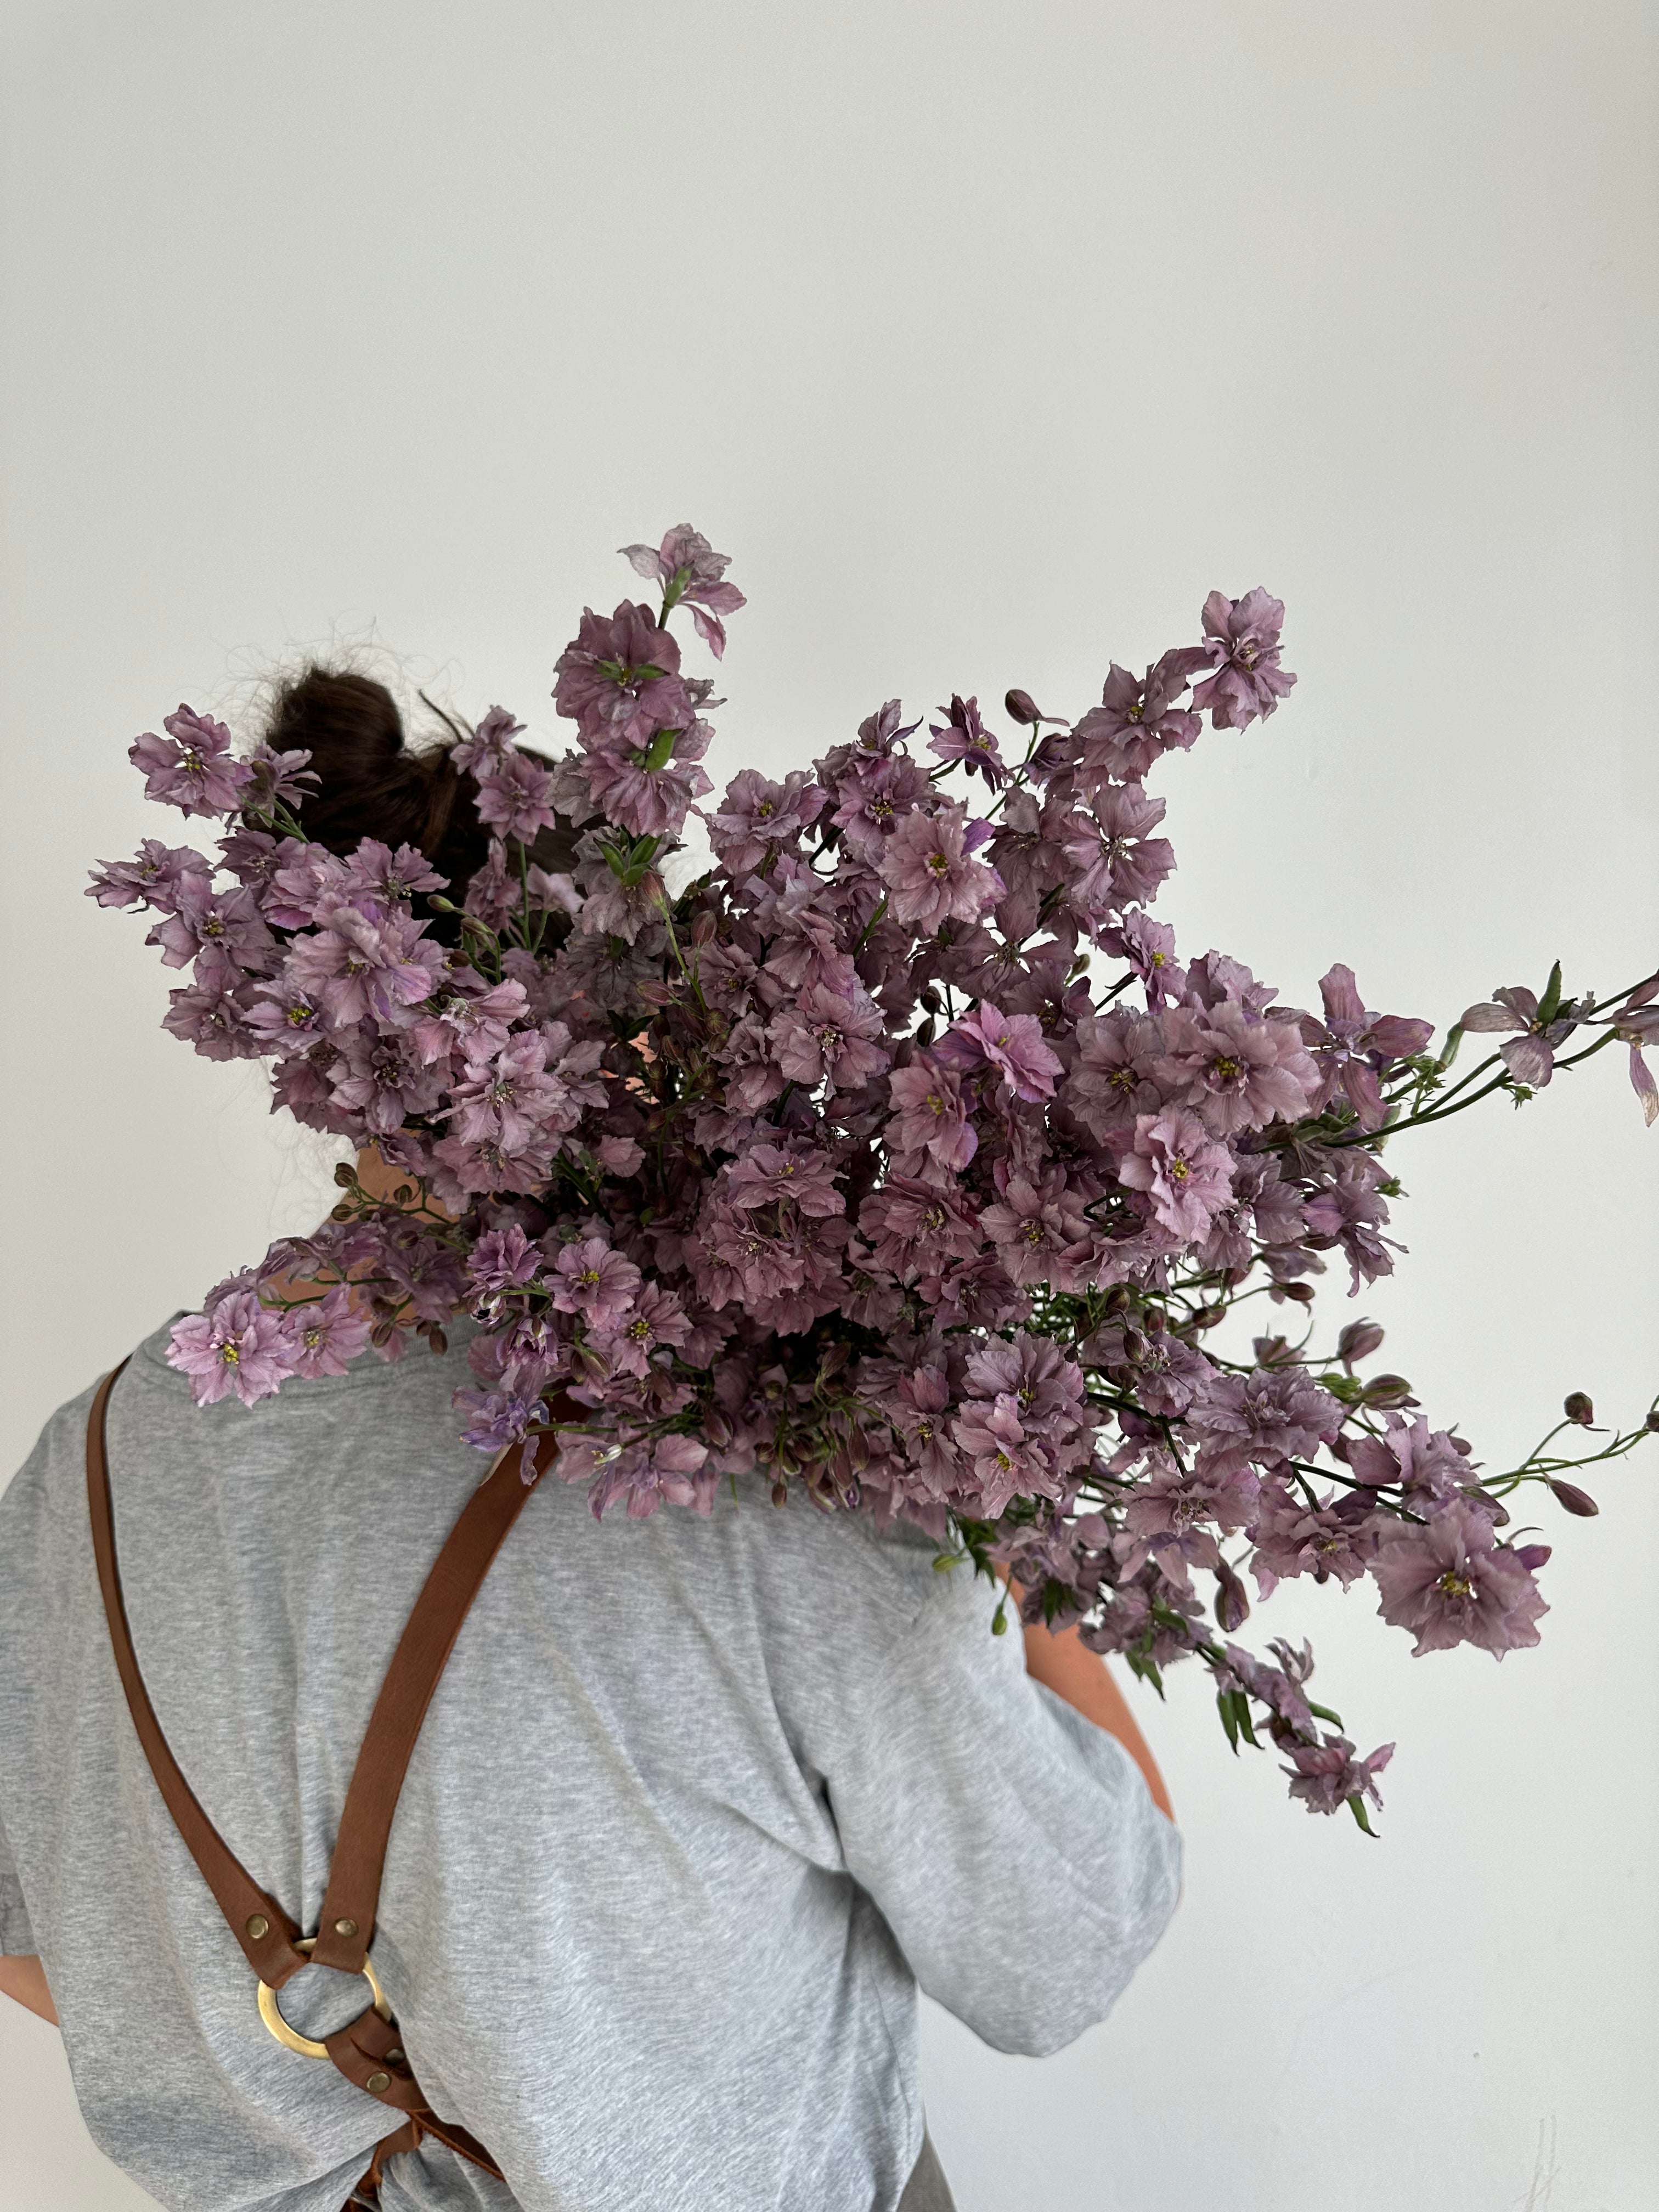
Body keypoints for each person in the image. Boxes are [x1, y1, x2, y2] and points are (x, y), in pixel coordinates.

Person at [0, 674, 1181, 2212]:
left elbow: (35, 1941)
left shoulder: (84, 1460)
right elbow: (1070, 1940)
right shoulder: (773, 1476)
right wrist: (999, 1533)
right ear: (653, 1022)